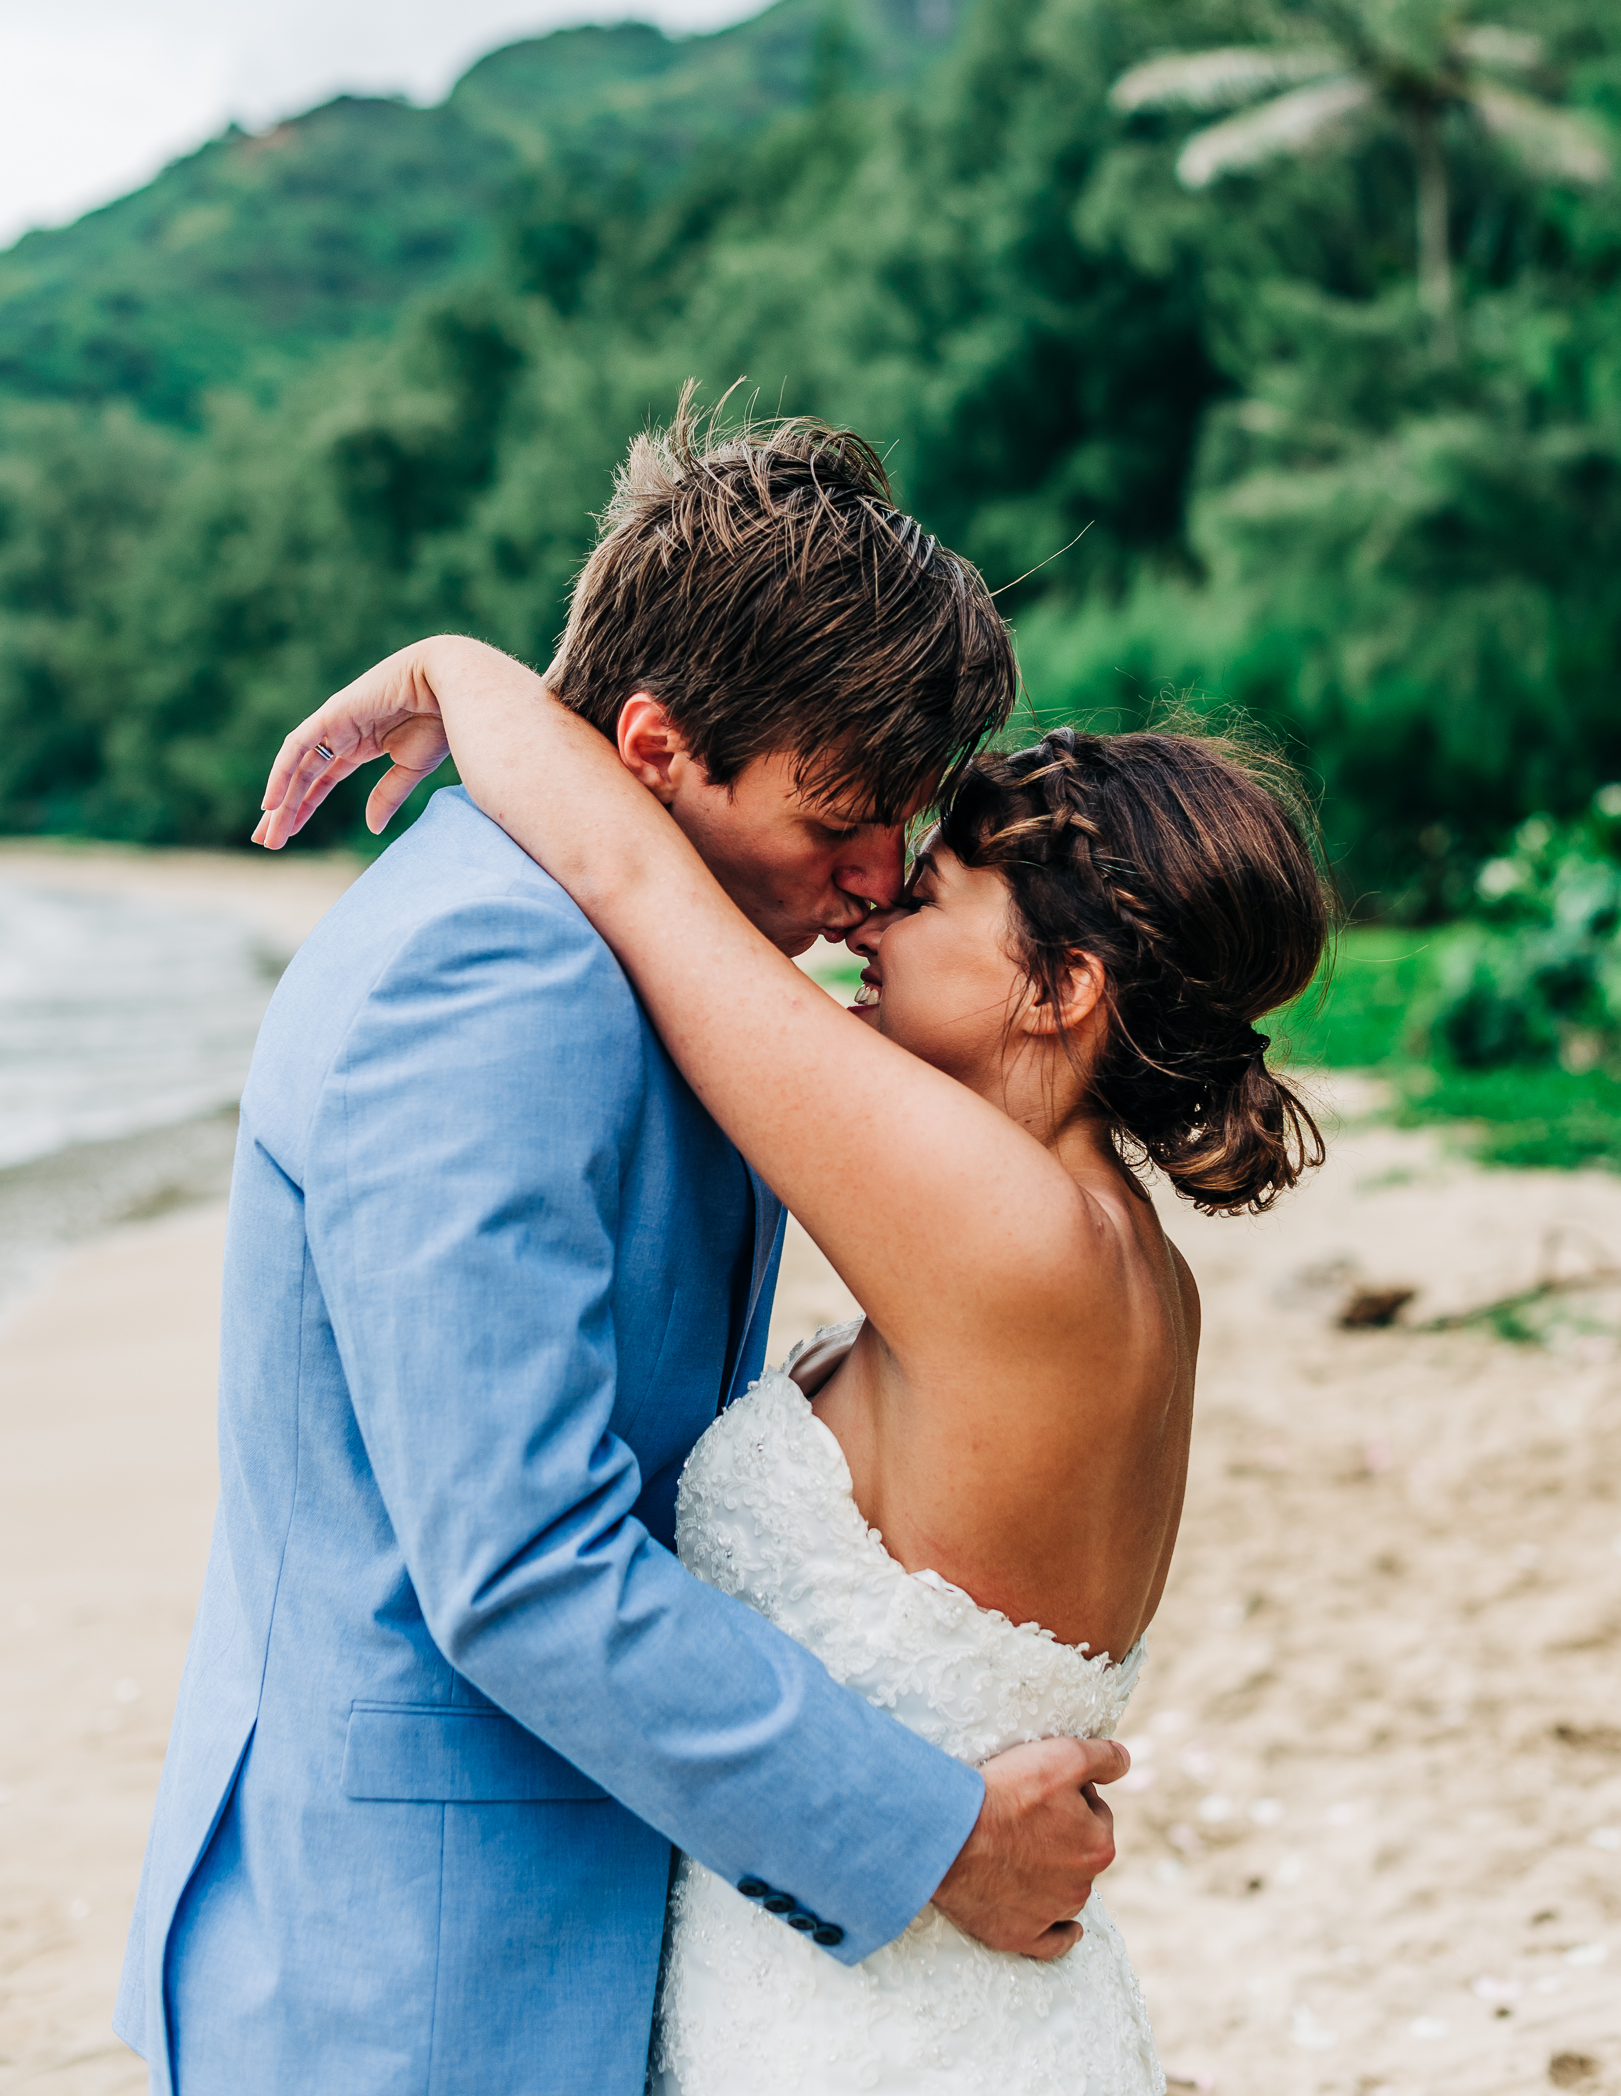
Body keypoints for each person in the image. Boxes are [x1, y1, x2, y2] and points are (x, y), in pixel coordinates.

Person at [114, 404, 1132, 2096]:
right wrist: (931, 1834)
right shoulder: (490, 983)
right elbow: (520, 1567)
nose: (878, 886)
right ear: (654, 746)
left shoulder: (633, 944)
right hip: (420, 1972)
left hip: (573, 1920)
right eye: (839, 825)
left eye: (907, 822)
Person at [255, 624, 1332, 2095]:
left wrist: (460, 670)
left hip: (870, 2033)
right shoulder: (1114, 1255)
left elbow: (639, 885)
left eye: (935, 888)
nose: (876, 909)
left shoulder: (1011, 1236)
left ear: (1061, 989)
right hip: (937, 2008)